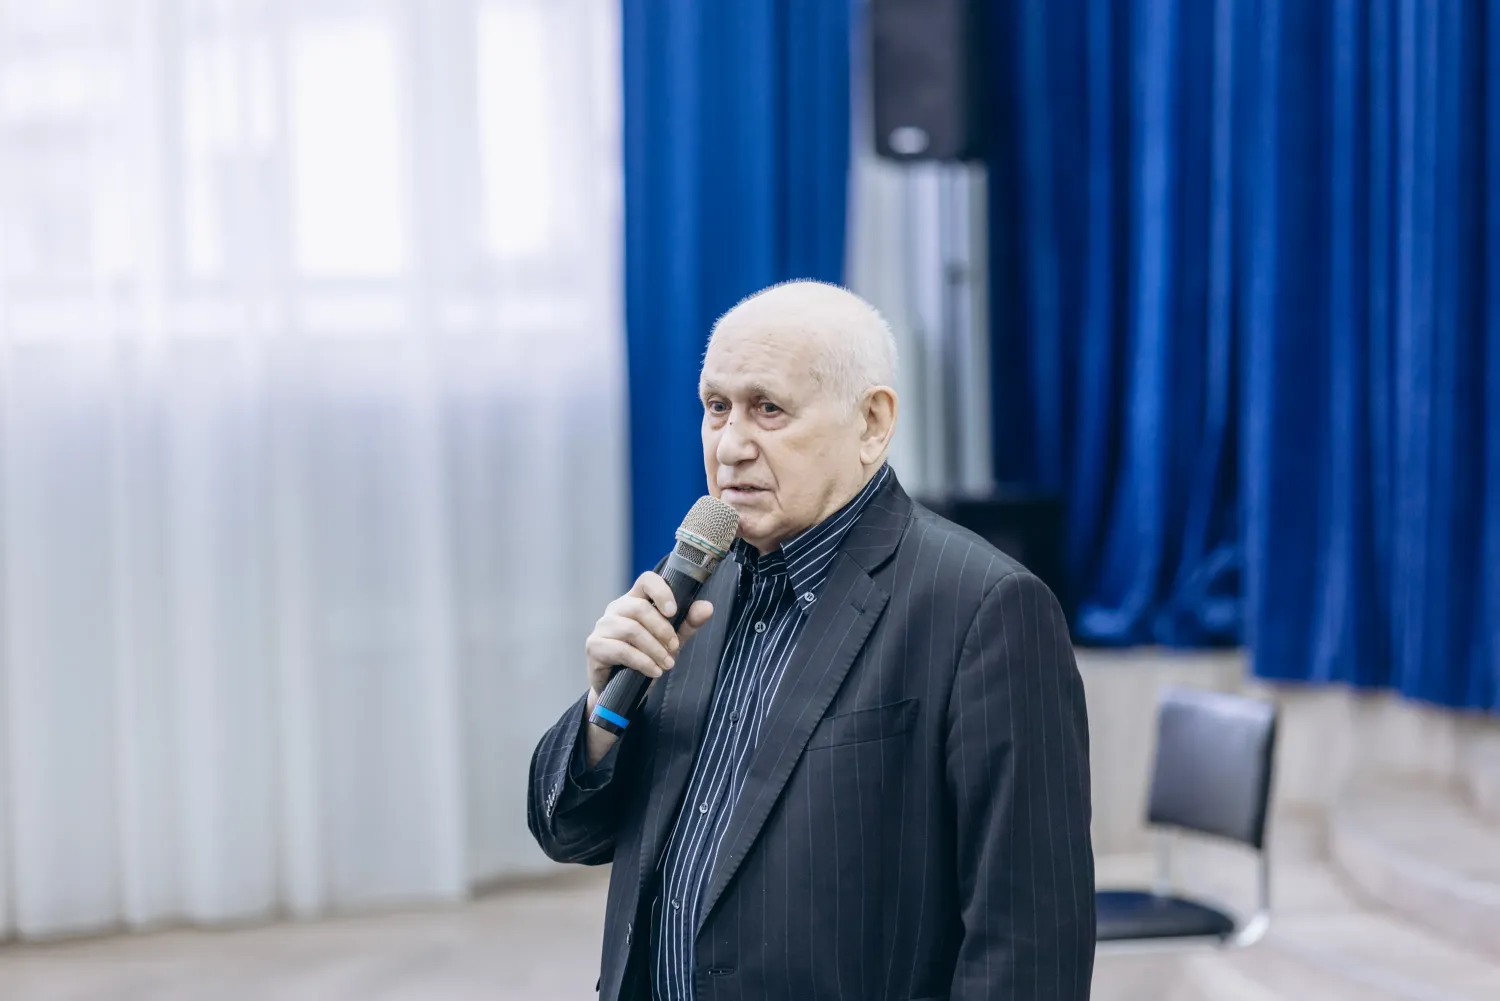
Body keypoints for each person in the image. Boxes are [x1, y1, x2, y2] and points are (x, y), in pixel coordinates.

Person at [527, 280, 1095, 1001]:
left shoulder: (985, 609)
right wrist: (601, 712)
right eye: (716, 407)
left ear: (872, 423)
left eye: (768, 408)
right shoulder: (693, 581)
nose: (730, 445)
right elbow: (568, 833)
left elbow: (1030, 944)